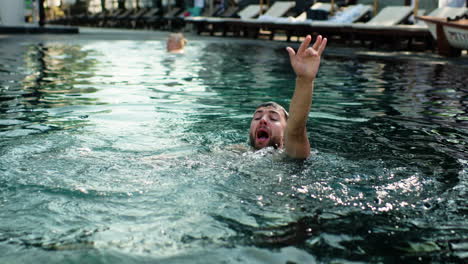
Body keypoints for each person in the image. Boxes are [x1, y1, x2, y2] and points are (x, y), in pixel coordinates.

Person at [248, 34, 327, 160]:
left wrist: (305, 80)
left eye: (273, 118)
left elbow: (296, 130)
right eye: (257, 117)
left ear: (285, 135)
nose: (262, 120)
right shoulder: (234, 153)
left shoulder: (293, 153)